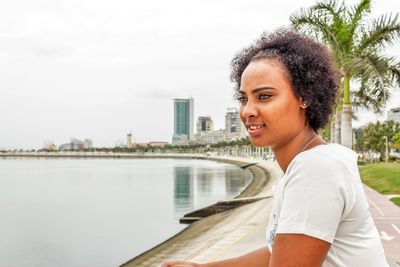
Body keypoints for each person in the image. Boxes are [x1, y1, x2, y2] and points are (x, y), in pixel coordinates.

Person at [162, 29, 388, 267]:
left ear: (305, 97)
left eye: (264, 96)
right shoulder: (312, 162)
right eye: (243, 98)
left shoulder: (314, 169)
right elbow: (277, 253)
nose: (247, 110)